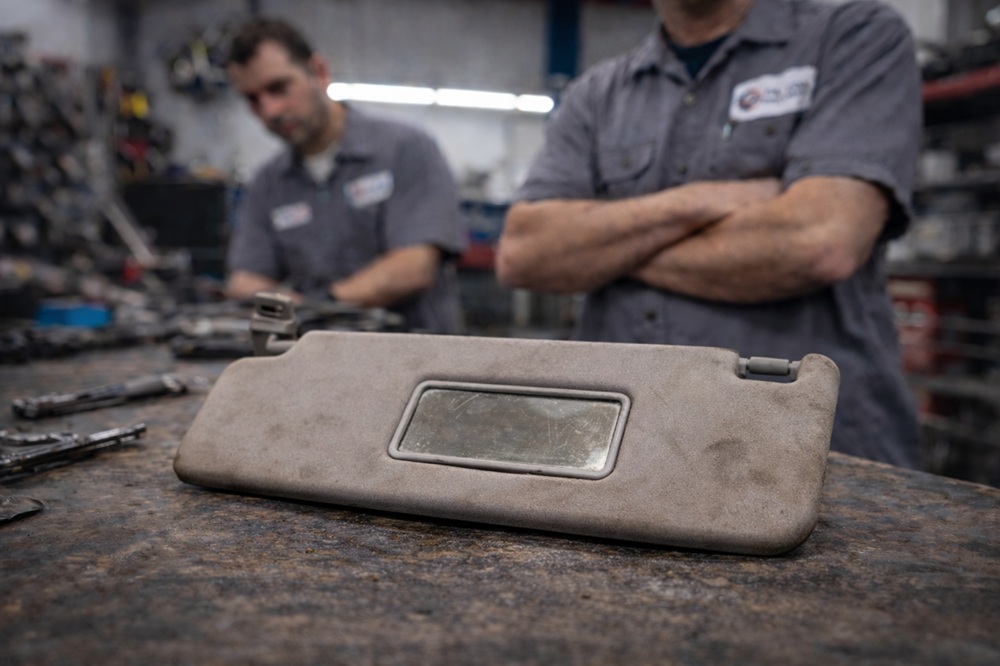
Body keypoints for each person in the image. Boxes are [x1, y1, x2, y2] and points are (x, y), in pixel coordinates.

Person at [496, 0, 924, 468]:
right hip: (624, 453)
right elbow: (524, 253)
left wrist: (604, 250)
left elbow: (820, 240)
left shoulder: (851, 36)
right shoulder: (597, 94)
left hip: (807, 449)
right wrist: (702, 201)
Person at [224, 17, 465, 333]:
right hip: (318, 356)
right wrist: (292, 308)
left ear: (319, 72)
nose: (270, 111)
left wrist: (314, 308)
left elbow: (414, 266)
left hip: (414, 354)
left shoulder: (405, 149)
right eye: (253, 99)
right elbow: (245, 280)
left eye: (278, 88)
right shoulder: (267, 184)